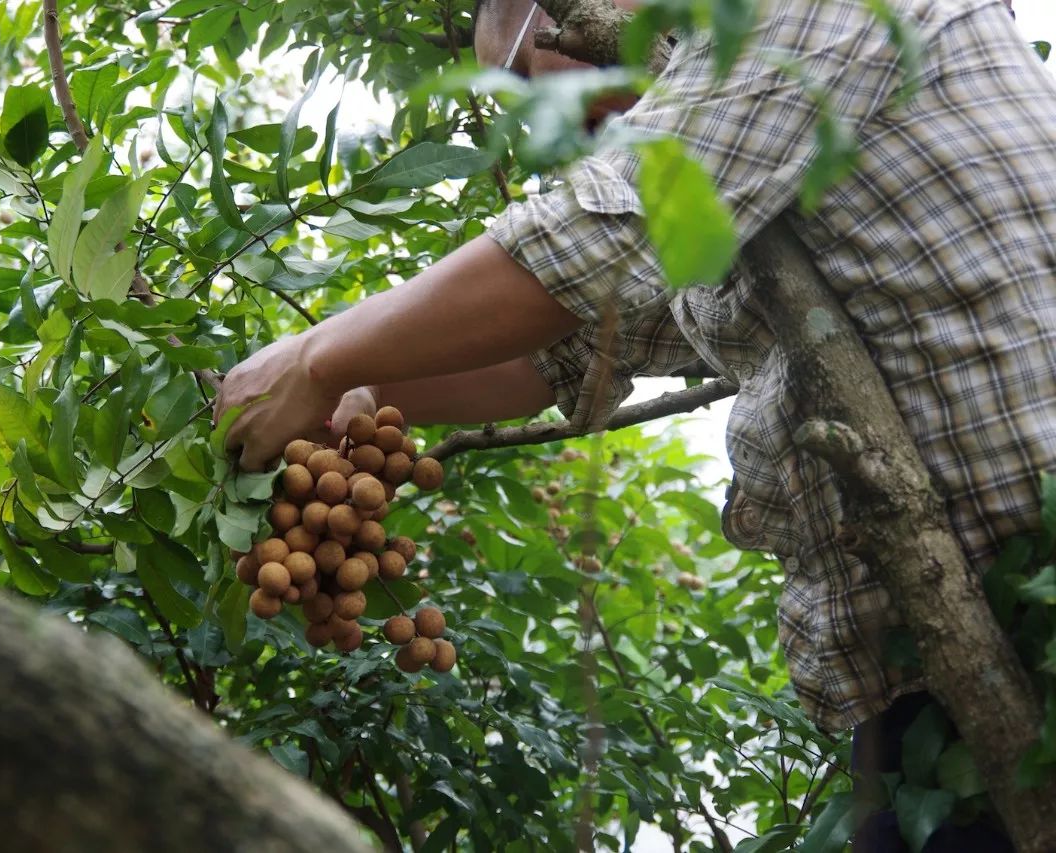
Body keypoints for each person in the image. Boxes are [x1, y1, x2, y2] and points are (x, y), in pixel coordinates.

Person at [217, 0, 1054, 847]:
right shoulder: (736, 149)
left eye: (541, 70)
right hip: (943, 674)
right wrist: (355, 387)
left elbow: (591, 239)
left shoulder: (805, 14)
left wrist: (312, 358)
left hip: (1030, 618)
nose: (567, 128)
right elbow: (563, 347)